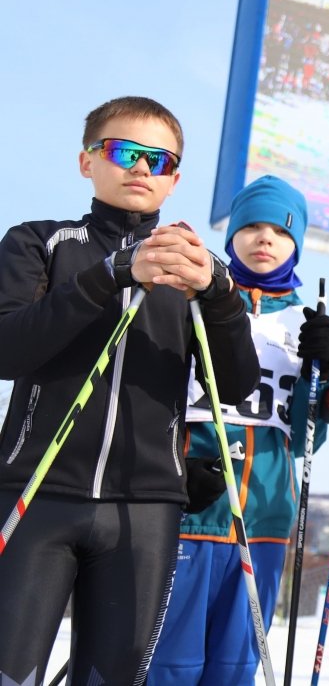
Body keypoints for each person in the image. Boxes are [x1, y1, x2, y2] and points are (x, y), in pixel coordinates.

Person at [0, 96, 260, 684]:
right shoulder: (41, 242)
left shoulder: (193, 268)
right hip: (39, 493)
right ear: (86, 162)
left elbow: (235, 385)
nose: (140, 168)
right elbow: (9, 349)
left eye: (158, 159)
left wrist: (219, 296)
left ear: (173, 179)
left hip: (142, 512)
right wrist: (115, 271)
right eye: (122, 152)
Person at [146, 175, 329, 685]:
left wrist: (320, 370)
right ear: (231, 236)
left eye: (279, 230)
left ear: (295, 243)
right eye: (251, 227)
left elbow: (307, 437)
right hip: (189, 503)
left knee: (236, 664)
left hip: (266, 511)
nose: (264, 238)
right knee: (171, 660)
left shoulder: (306, 322)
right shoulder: (191, 303)